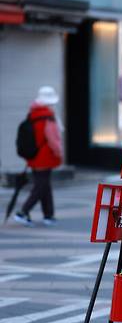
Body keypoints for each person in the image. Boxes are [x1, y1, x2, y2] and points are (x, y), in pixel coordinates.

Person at [14, 86, 63, 227]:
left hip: (34, 156)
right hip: (45, 157)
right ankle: (23, 212)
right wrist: (59, 153)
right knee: (41, 186)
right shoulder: (48, 117)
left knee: (44, 185)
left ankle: (48, 215)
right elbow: (53, 140)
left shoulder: (33, 114)